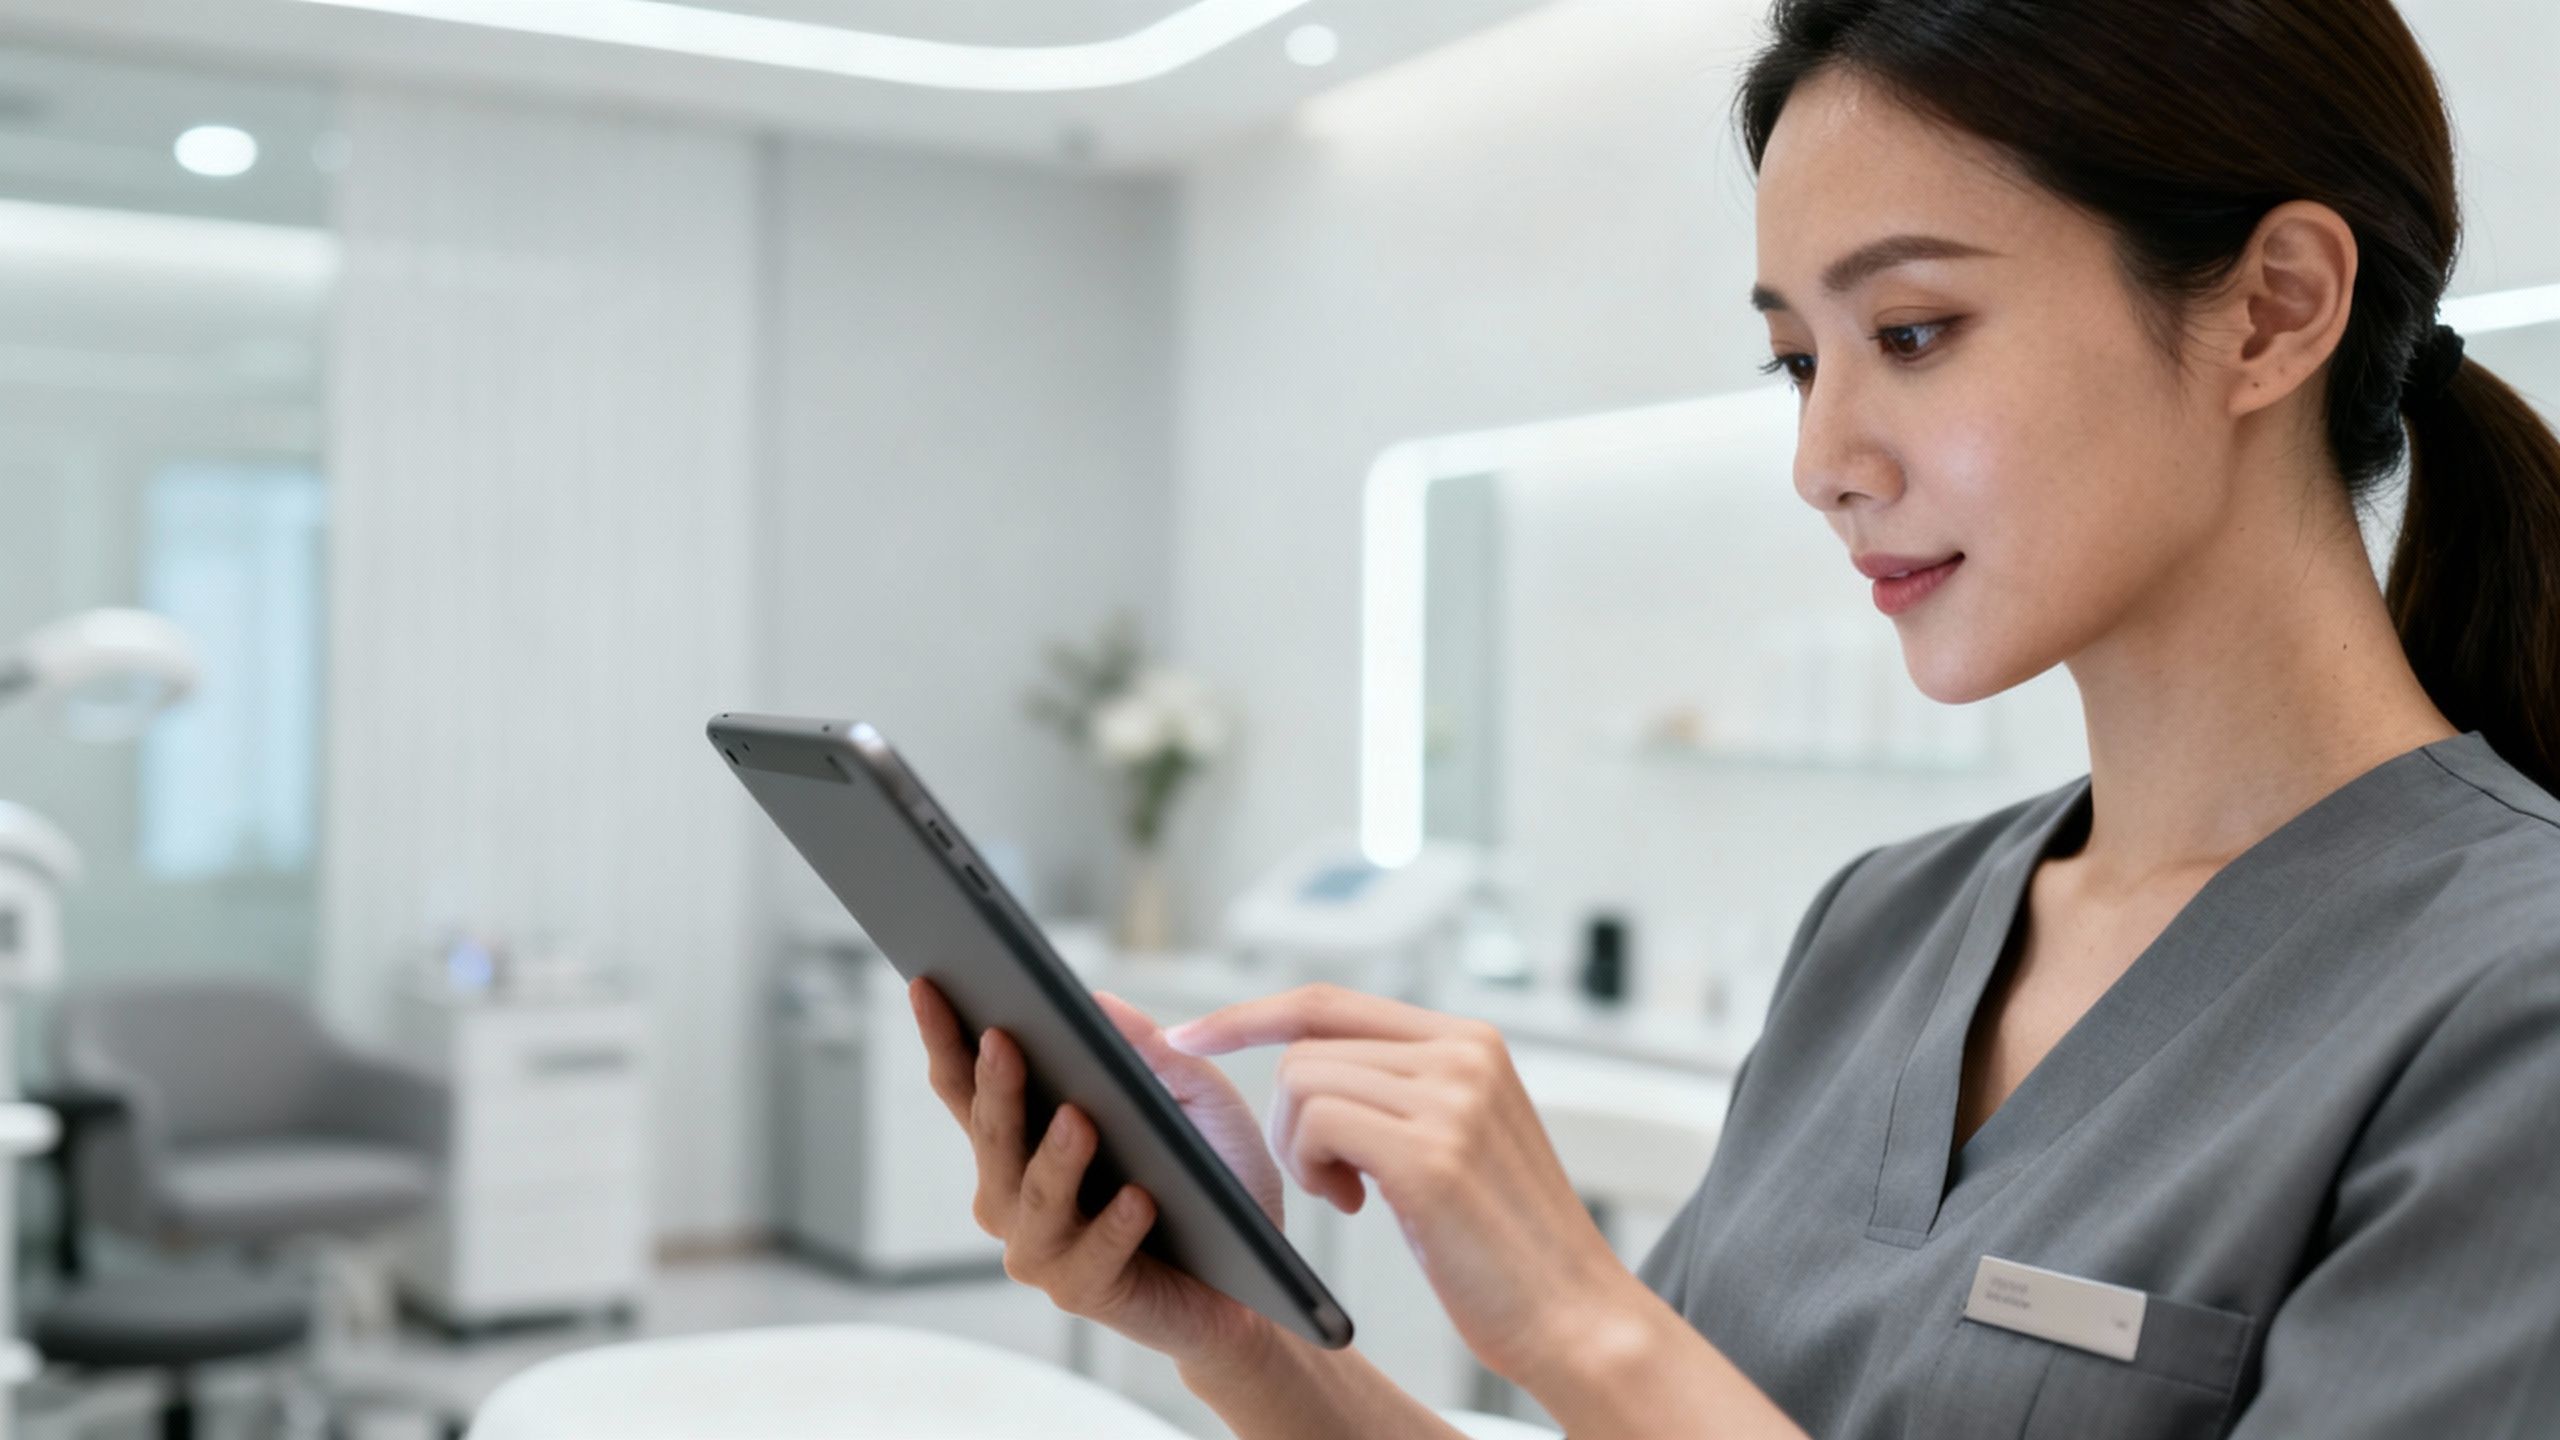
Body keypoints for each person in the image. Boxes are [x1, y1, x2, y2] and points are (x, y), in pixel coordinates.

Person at [908, 0, 2560, 1433]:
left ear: (2272, 309)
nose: (1822, 459)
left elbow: (1632, 1380)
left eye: (1911, 333)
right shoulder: (1884, 927)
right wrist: (1251, 1336)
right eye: (1797, 362)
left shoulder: (2511, 1002)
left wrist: (1578, 1315)